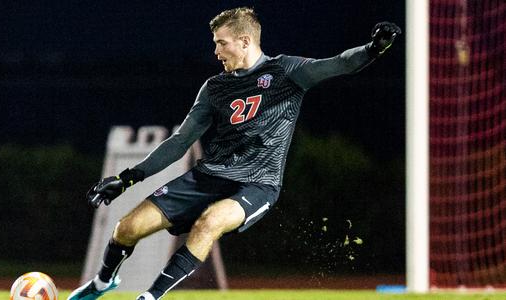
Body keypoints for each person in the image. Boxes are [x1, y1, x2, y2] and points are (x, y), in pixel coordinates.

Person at [68, 7, 401, 300]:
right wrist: (127, 179)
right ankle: (101, 283)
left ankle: (150, 297)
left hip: (258, 184)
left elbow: (339, 64)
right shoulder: (216, 87)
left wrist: (374, 48)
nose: (215, 51)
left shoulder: (285, 72)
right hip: (209, 175)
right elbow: (181, 141)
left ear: (244, 41)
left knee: (209, 223)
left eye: (220, 42)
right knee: (127, 227)